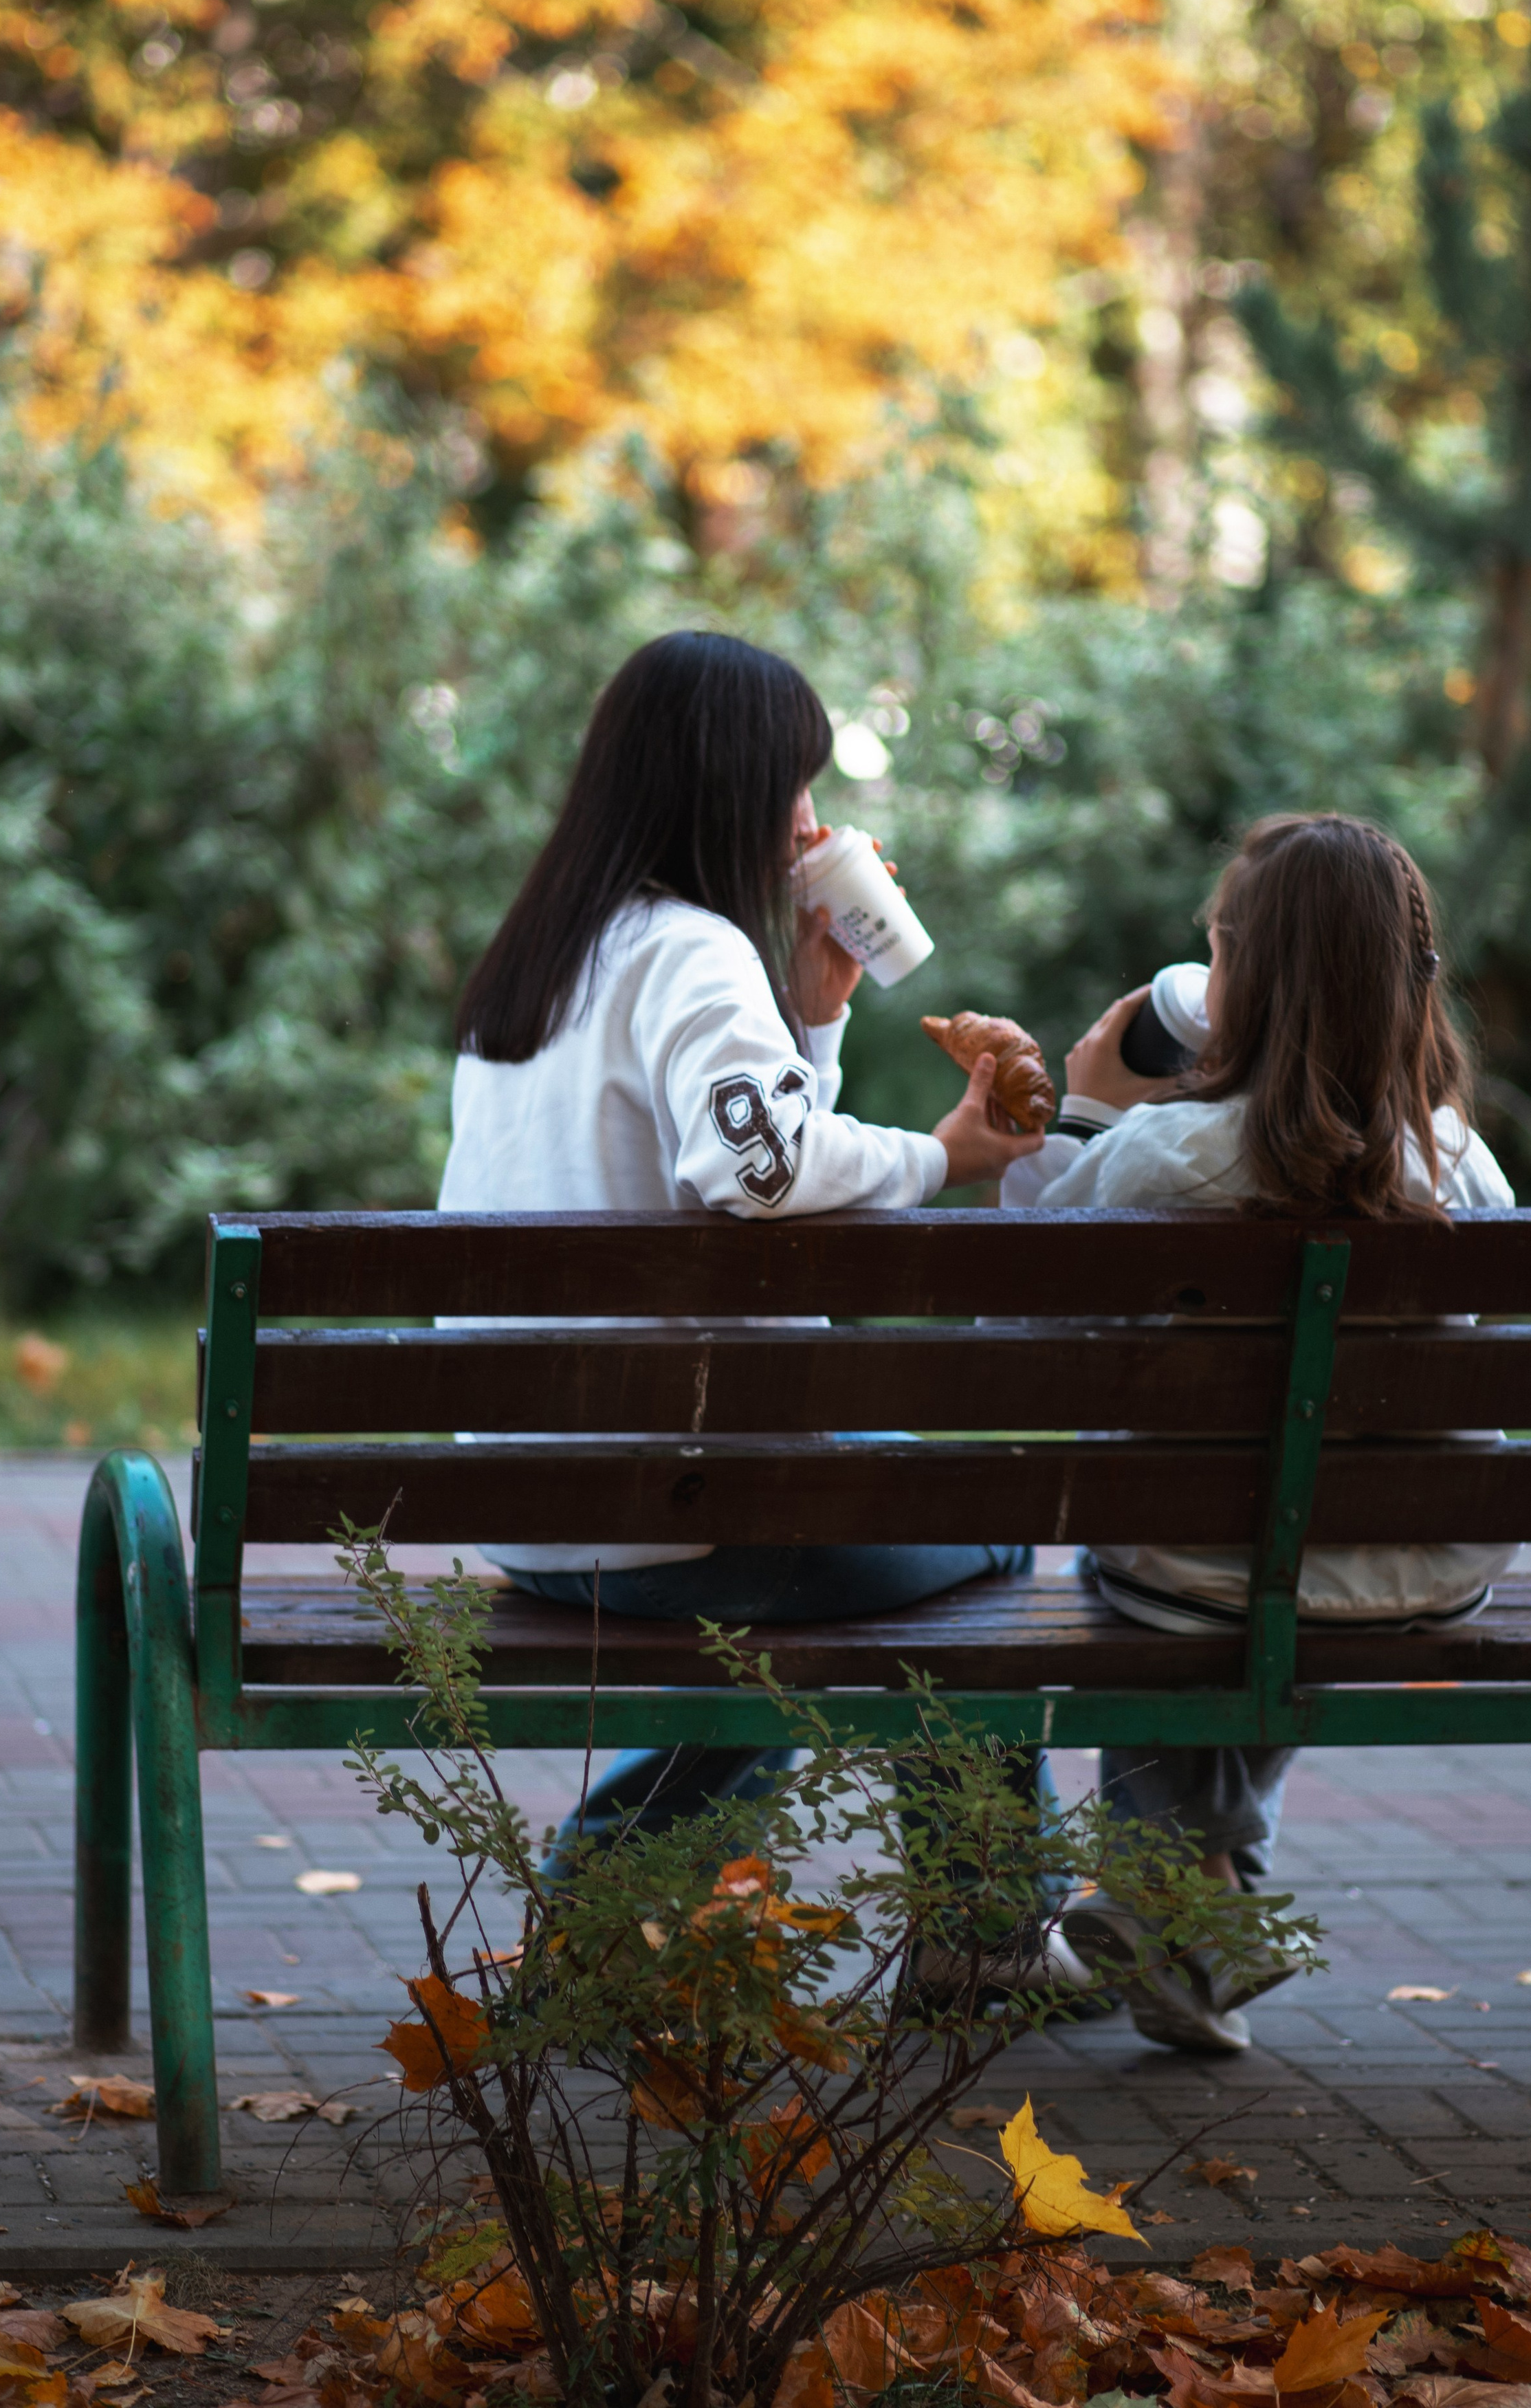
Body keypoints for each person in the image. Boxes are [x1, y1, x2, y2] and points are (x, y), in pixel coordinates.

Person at [437, 628, 1064, 2000]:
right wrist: (948, 1157)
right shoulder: (692, 951)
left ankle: (603, 1941)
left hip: (529, 1503)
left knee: (806, 1603)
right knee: (984, 1550)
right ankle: (979, 1932)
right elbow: (765, 1171)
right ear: (727, 790)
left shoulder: (547, 960)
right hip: (667, 1510)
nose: (812, 823)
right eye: (794, 785)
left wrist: (811, 1024)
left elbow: (743, 1158)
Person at [1000, 811, 1517, 2053]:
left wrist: (1082, 1106)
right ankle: (1204, 1898)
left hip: (1192, 1577)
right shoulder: (1457, 1161)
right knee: (1262, 1569)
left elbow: (1020, 1310)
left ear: (1238, 981)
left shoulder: (1159, 1154)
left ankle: (1176, 1888)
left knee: (1180, 1565)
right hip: (1422, 1574)